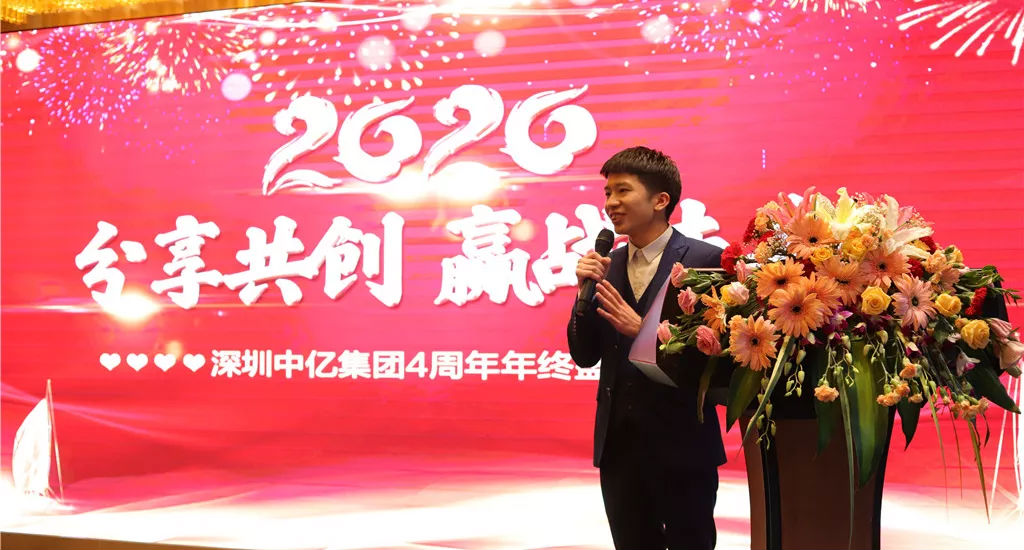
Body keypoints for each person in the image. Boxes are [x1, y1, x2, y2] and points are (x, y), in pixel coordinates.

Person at [567, 146, 726, 549]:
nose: (611, 203)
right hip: (619, 447)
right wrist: (581, 293)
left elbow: (718, 363)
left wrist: (644, 332)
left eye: (623, 191)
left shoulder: (705, 261)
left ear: (660, 200)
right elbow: (584, 355)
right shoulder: (607, 265)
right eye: (607, 193)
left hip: (684, 444)